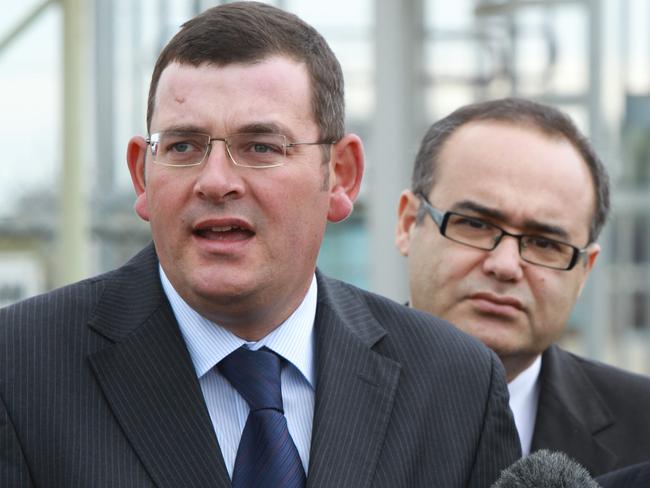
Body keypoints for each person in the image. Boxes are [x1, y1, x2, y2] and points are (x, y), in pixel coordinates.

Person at [0, 3, 520, 487]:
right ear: (142, 175)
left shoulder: (456, 385)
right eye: (183, 146)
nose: (216, 181)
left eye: (261, 147)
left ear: (340, 175)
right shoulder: (19, 370)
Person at [395, 97, 650, 477]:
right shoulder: (307, 397)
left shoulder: (642, 427)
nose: (505, 265)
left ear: (584, 270)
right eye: (475, 224)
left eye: (546, 244)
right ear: (408, 223)